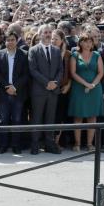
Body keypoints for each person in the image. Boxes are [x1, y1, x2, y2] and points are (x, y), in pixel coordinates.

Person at [28, 25, 63, 154]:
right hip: (39, 90)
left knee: (50, 118)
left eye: (49, 32)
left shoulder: (56, 50)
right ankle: (35, 144)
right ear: (40, 34)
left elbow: (60, 69)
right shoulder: (33, 50)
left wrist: (55, 83)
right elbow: (33, 70)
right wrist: (46, 83)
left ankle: (49, 144)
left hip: (53, 91)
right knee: (36, 118)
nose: (48, 34)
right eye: (45, 32)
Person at [67, 33, 104, 151]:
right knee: (78, 117)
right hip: (79, 89)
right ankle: (77, 144)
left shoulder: (97, 55)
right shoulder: (75, 55)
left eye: (90, 42)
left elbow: (101, 73)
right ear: (80, 43)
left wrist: (92, 84)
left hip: (95, 89)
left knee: (92, 117)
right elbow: (73, 73)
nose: (88, 44)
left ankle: (89, 144)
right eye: (85, 41)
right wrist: (86, 84)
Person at [0, 31, 28, 154]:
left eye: (12, 40)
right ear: (5, 41)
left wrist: (15, 87)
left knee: (17, 119)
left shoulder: (24, 55)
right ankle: (3, 145)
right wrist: (7, 87)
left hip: (18, 92)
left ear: (17, 41)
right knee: (3, 120)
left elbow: (26, 74)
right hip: (3, 92)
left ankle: (15, 145)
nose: (10, 42)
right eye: (8, 40)